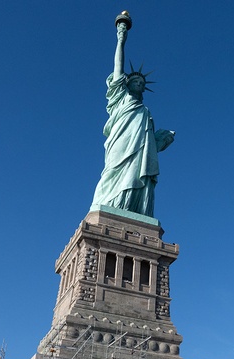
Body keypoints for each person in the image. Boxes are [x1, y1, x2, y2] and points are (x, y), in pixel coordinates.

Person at [90, 12, 175, 217]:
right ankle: (108, 206)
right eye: (135, 81)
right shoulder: (120, 99)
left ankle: (135, 212)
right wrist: (121, 40)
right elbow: (118, 67)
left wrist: (160, 139)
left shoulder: (145, 112)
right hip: (120, 143)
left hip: (140, 151)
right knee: (112, 172)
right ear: (126, 84)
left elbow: (148, 143)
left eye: (142, 83)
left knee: (140, 174)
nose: (139, 83)